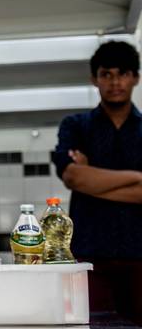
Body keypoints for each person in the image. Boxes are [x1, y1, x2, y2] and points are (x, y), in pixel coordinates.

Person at [53, 40, 142, 324]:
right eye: (106, 74)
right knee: (89, 325)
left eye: (123, 73)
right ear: (95, 79)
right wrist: (137, 178)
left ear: (136, 78)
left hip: (140, 252)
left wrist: (94, 179)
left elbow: (85, 180)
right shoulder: (75, 126)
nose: (115, 82)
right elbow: (73, 177)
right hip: (89, 255)